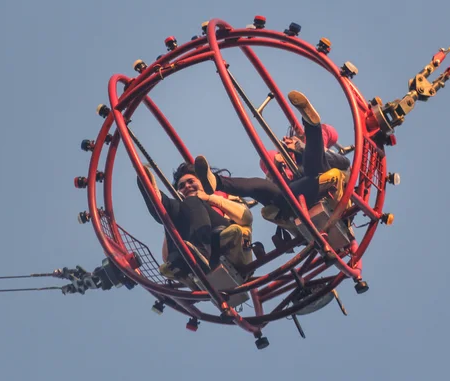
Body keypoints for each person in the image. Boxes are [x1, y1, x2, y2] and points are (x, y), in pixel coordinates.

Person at [194, 90, 350, 224]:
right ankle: (216, 181)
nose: (285, 142)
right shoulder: (280, 163)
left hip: (321, 175)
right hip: (298, 192)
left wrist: (298, 147)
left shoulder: (310, 149)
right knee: (259, 185)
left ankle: (311, 123)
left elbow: (337, 149)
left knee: (311, 161)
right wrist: (278, 160)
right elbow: (267, 166)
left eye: (289, 140)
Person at [137, 162, 253, 281]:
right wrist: (170, 220)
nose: (187, 186)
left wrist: (208, 198)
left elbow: (246, 217)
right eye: (181, 186)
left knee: (192, 201)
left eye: (191, 181)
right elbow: (166, 256)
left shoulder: (219, 197)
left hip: (229, 245)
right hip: (204, 255)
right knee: (177, 207)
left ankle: (200, 252)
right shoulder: (185, 210)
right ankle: (158, 201)